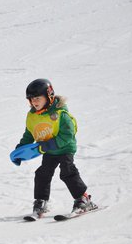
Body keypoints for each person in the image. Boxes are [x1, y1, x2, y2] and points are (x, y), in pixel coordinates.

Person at [15, 78, 96, 216]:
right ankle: (41, 202)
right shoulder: (32, 116)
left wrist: (47, 145)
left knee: (67, 171)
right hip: (49, 150)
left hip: (65, 148)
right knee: (42, 174)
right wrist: (20, 150)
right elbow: (29, 134)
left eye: (37, 98)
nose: (34, 102)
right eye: (31, 99)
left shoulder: (60, 114)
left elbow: (67, 135)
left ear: (49, 96)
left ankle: (83, 199)